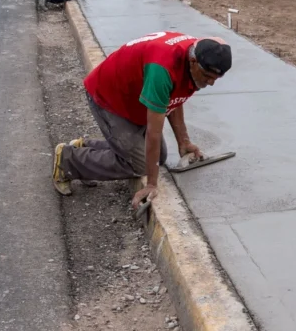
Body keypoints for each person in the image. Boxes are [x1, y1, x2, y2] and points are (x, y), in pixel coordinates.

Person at [51, 32, 233, 212]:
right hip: (111, 98)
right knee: (139, 165)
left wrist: (183, 141)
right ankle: (68, 160)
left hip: (135, 99)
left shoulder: (199, 51)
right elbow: (154, 132)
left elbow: (174, 97)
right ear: (193, 62)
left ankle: (84, 147)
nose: (211, 83)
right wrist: (152, 184)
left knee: (157, 158)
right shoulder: (163, 69)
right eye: (207, 76)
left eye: (216, 78)